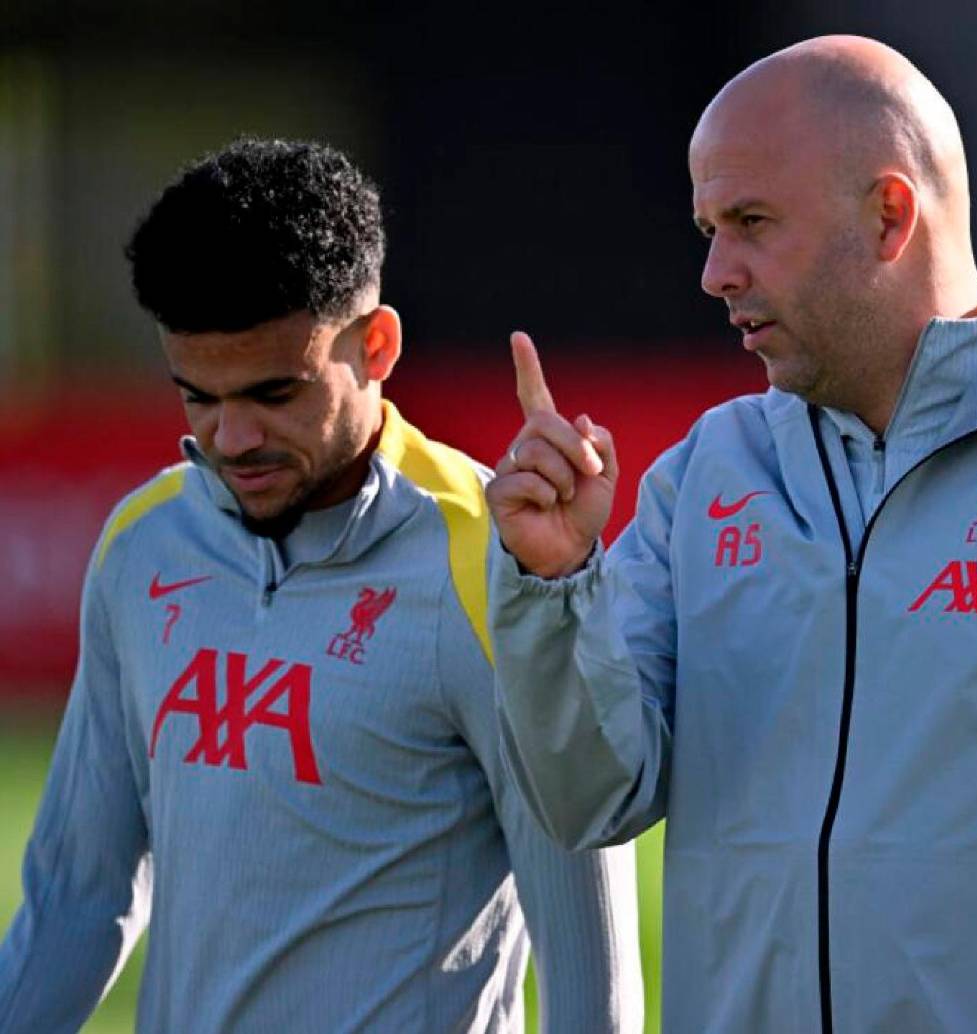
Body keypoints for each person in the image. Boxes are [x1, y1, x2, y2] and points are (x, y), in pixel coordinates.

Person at [0, 138, 643, 1033]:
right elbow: (77, 897)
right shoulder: (142, 546)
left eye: (275, 394)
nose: (231, 440)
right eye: (198, 397)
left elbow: (592, 980)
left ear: (376, 345)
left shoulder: (499, 568)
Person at [486, 34, 977, 1033]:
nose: (712, 273)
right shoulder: (706, 472)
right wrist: (554, 585)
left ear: (888, 215)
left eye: (749, 222)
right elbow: (590, 799)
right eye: (708, 228)